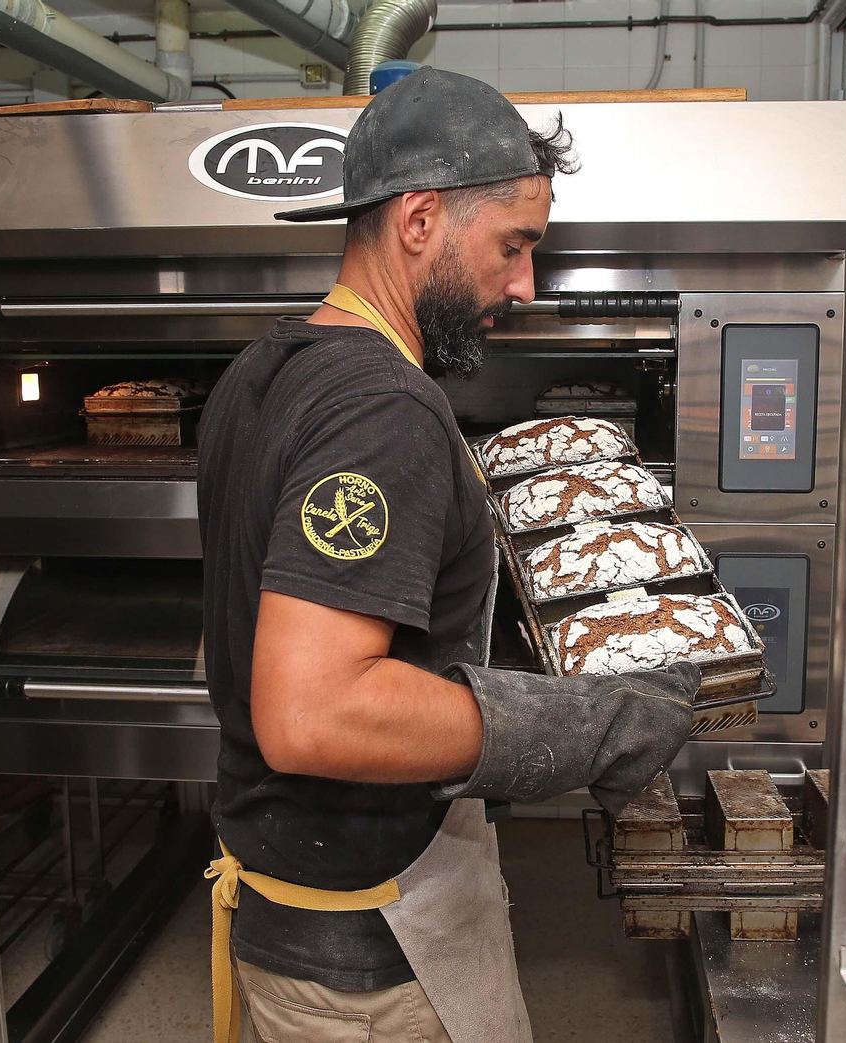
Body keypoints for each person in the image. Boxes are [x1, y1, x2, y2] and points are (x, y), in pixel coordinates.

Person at [197, 68, 700, 1043]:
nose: (525, 283)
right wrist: (590, 721)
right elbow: (310, 711)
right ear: (420, 219)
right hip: (369, 967)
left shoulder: (259, 372)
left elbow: (258, 629)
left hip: (286, 910)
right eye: (514, 245)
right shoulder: (380, 409)